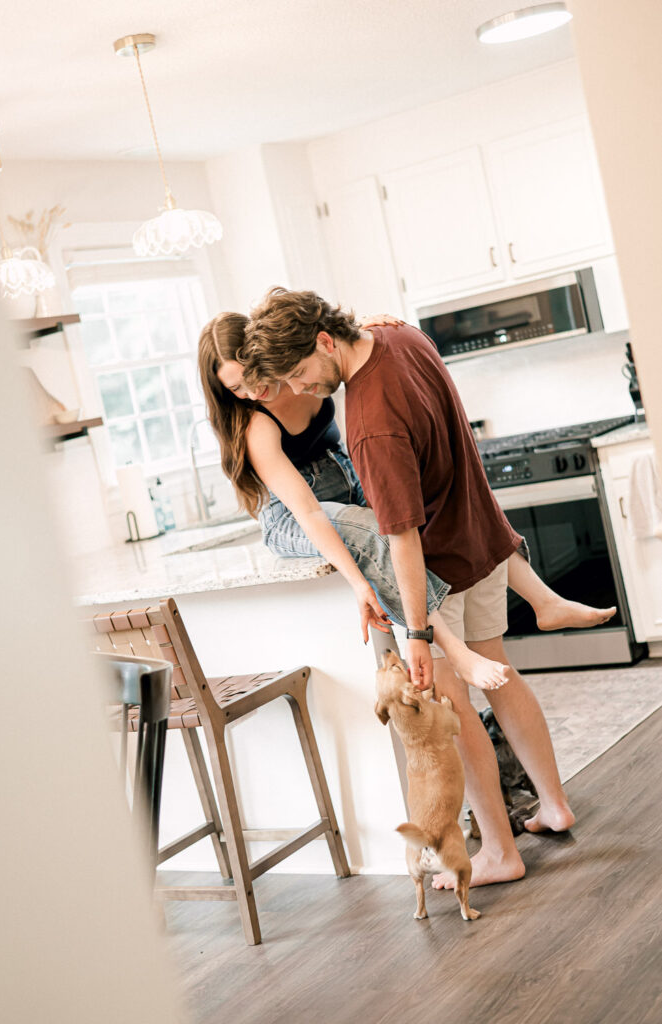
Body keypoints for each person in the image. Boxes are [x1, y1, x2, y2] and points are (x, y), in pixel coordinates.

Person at [240, 288, 614, 888]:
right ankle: (553, 803)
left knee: (454, 710)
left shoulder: (368, 422)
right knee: (501, 673)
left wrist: (416, 633)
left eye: (302, 373)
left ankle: (498, 851)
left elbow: (402, 539)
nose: (305, 390)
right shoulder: (401, 336)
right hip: (480, 541)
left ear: (325, 342)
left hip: (439, 570)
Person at [199, 312, 509, 691]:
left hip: (344, 483)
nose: (249, 392)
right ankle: (450, 646)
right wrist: (359, 584)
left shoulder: (299, 373)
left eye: (250, 377)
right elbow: (310, 512)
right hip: (294, 519)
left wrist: (368, 326)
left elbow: (332, 337)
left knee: (416, 517)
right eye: (234, 389)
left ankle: (536, 594)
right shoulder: (256, 425)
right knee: (375, 534)